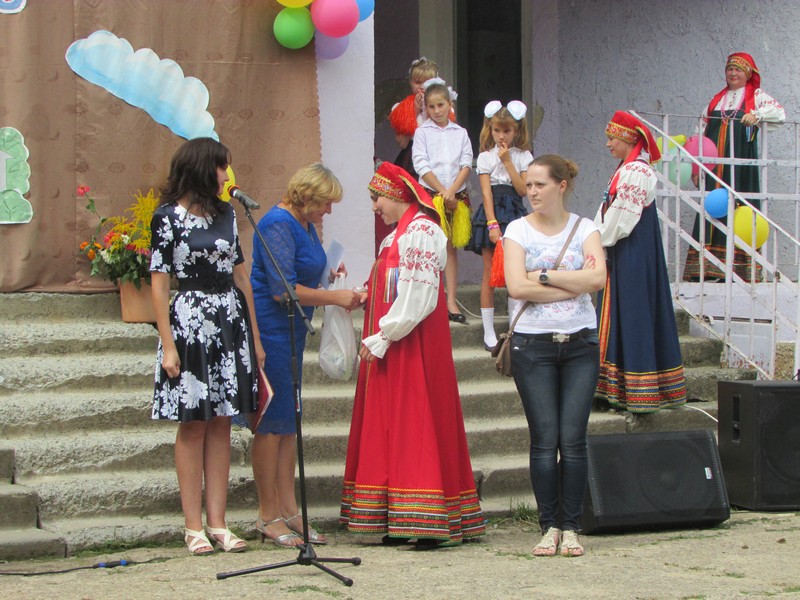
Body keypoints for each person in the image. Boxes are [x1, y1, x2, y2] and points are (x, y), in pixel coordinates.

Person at [339, 162, 486, 549]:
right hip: (395, 344)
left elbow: (418, 296)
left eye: (378, 197)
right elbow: (392, 284)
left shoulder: (421, 231)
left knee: (416, 421)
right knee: (391, 424)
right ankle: (398, 516)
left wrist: (384, 336)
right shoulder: (395, 237)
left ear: (398, 195)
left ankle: (427, 519)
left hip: (412, 344)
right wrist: (361, 293)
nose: (374, 206)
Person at [150, 137, 263, 555]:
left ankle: (218, 522)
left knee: (222, 422)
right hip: (190, 322)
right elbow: (159, 283)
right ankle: (192, 525)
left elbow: (241, 277)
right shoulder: (167, 218)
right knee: (193, 422)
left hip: (229, 319)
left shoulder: (227, 215)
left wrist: (253, 337)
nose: (226, 175)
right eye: (221, 167)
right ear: (202, 168)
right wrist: (168, 344)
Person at [249, 163, 361, 548]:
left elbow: (304, 271)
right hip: (272, 331)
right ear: (308, 195)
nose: (327, 212)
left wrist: (329, 273)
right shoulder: (277, 223)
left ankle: (290, 509)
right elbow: (282, 288)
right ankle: (268, 514)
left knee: (289, 422)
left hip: (294, 332)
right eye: (325, 204)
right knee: (270, 423)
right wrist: (335, 297)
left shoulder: (305, 223)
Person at [504, 154, 606, 558]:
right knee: (545, 440)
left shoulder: (586, 228)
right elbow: (515, 286)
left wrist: (543, 277)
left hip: (580, 343)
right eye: (528, 185)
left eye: (539, 185)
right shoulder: (517, 230)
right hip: (532, 345)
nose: (531, 192)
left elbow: (597, 278)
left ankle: (572, 527)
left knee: (573, 438)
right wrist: (573, 285)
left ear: (561, 186)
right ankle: (549, 526)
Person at [595, 111, 687, 412]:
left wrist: (597, 240)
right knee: (620, 310)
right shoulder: (625, 168)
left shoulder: (638, 172)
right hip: (621, 249)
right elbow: (608, 209)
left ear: (627, 139)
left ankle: (639, 391)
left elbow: (623, 217)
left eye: (612, 138)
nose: (607, 144)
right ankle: (615, 389)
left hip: (632, 251)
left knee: (633, 312)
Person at [683, 52, 785, 281]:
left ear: (748, 74)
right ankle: (707, 269)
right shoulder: (716, 100)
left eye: (738, 70)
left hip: (739, 168)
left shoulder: (755, 97)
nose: (733, 73)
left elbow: (779, 113)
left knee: (740, 206)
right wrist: (697, 168)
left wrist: (756, 115)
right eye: (730, 69)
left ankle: (739, 269)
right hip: (715, 169)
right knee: (712, 207)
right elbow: (700, 134)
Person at [465, 100, 533, 350]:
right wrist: (492, 224)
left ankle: (517, 327)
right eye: (497, 130)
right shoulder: (484, 157)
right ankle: (488, 332)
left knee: (517, 271)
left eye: (507, 130)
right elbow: (485, 193)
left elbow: (522, 190)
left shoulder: (524, 156)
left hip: (515, 211)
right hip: (492, 213)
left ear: (516, 131)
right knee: (489, 273)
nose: (501, 135)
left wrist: (507, 162)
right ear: (490, 129)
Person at [412, 78, 473, 323]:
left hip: (456, 194)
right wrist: (441, 191)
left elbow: (466, 163)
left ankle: (451, 301)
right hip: (431, 193)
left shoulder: (460, 133)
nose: (437, 111)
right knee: (428, 246)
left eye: (441, 105)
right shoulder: (422, 132)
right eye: (432, 107)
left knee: (449, 248)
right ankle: (429, 300)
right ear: (426, 108)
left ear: (450, 104)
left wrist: (452, 191)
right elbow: (421, 163)